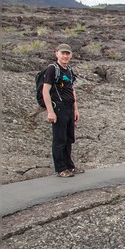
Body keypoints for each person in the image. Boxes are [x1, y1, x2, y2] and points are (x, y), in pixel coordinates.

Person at [42, 43, 83, 177]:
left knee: (68, 138)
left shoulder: (69, 70)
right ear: (57, 54)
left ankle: (69, 166)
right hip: (58, 107)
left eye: (67, 53)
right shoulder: (52, 69)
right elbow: (45, 91)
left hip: (69, 108)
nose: (65, 56)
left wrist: (75, 109)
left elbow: (71, 89)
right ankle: (60, 168)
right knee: (59, 139)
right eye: (63, 53)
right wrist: (50, 111)